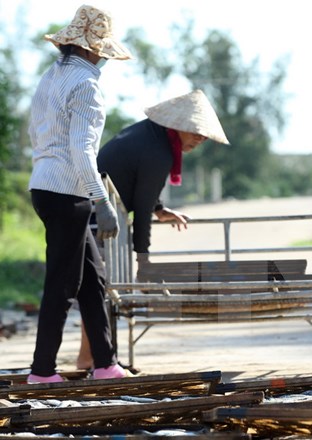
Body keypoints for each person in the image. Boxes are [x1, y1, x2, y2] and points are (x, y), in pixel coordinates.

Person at [76, 89, 229, 370]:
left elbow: (140, 188)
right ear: (177, 125)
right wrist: (143, 260)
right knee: (97, 290)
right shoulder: (157, 149)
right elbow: (142, 209)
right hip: (97, 214)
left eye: (204, 134)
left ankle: (96, 358)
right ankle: (91, 358)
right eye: (195, 130)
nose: (200, 138)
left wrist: (160, 208)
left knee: (100, 290)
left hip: (98, 211)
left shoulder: (151, 136)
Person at [26, 4, 133, 383]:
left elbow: (35, 133)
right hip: (68, 193)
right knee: (63, 284)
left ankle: (105, 364)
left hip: (43, 185)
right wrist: (101, 202)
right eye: (102, 52)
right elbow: (82, 150)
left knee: (92, 280)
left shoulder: (49, 76)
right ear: (91, 50)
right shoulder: (87, 85)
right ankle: (42, 371)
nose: (103, 58)